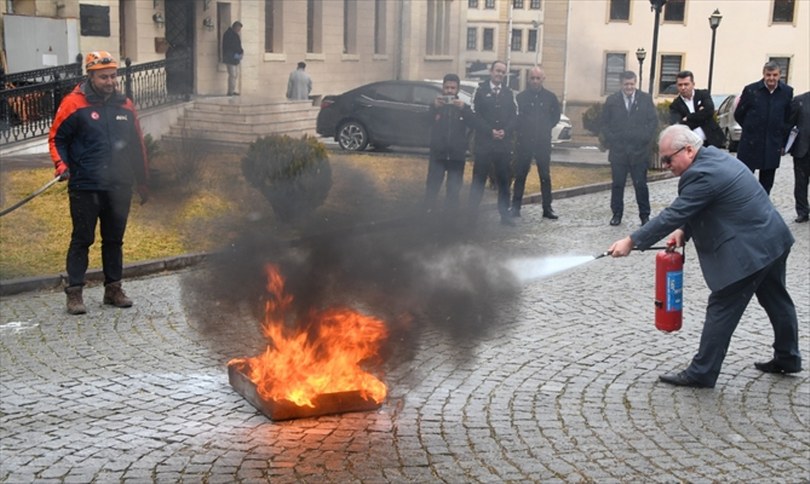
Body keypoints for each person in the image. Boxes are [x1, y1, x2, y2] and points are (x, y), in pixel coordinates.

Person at [608, 124, 801, 389]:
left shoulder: (700, 174)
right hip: (773, 238)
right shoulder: (714, 156)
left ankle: (702, 372)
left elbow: (673, 213)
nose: (665, 165)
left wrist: (631, 241)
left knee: (722, 305)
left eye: (668, 158)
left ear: (688, 149)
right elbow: (704, 203)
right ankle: (788, 357)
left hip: (751, 249)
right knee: (778, 301)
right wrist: (683, 232)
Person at [49, 51, 150, 315]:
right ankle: (75, 293)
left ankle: (113, 289)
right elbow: (57, 138)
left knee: (114, 239)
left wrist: (143, 181)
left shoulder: (125, 105)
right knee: (82, 238)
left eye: (113, 76)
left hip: (119, 185)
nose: (110, 81)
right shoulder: (73, 103)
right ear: (90, 76)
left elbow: (137, 146)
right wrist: (62, 165)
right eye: (103, 77)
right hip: (85, 184)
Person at [601, 71, 658, 226]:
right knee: (618, 184)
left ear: (636, 83)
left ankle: (644, 216)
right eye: (626, 84)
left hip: (639, 151)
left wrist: (645, 138)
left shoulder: (645, 99)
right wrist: (612, 139)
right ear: (621, 84)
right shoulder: (612, 100)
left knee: (640, 185)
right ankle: (617, 214)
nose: (629, 87)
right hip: (619, 151)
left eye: (632, 84)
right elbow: (604, 123)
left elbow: (653, 122)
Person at [425, 73, 484, 214]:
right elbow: (424, 122)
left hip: (456, 156)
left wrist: (464, 109)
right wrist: (434, 107)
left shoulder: (463, 107)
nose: (449, 91)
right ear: (442, 88)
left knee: (453, 191)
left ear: (457, 90)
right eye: (447, 88)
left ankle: (450, 220)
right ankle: (427, 216)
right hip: (438, 155)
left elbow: (476, 123)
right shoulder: (436, 106)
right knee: (432, 188)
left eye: (453, 88)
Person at [469, 60, 517, 226]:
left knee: (504, 181)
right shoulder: (480, 91)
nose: (499, 75)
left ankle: (505, 215)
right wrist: (489, 131)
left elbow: (513, 116)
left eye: (503, 72)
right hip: (485, 144)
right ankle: (472, 216)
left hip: (502, 146)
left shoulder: (508, 93)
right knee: (478, 181)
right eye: (497, 71)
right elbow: (475, 116)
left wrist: (506, 130)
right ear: (491, 72)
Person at [734, 61, 793, 194]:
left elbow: (788, 118)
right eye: (768, 75)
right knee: (745, 178)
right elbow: (739, 114)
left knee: (767, 181)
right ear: (763, 74)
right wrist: (751, 128)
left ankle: (763, 206)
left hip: (773, 143)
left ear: (780, 75)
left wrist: (782, 141)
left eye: (774, 75)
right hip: (751, 142)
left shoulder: (787, 92)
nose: (771, 78)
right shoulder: (751, 90)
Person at [512, 66, 561, 219]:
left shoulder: (550, 97)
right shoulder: (521, 97)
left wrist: (546, 127)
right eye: (532, 78)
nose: (535, 81)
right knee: (520, 175)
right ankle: (515, 208)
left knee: (545, 175)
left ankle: (547, 208)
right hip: (524, 141)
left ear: (543, 79)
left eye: (537, 78)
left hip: (542, 142)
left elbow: (555, 116)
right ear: (528, 79)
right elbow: (516, 118)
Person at [668, 70, 724, 148]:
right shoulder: (675, 105)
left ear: (693, 84)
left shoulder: (703, 95)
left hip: (712, 141)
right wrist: (702, 116)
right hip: (692, 146)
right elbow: (680, 126)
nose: (683, 88)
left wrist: (688, 117)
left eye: (686, 84)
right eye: (680, 85)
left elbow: (709, 111)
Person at [788, 91, 810, 223]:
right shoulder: (800, 101)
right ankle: (802, 211)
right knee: (801, 183)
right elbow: (789, 124)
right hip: (803, 150)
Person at [222, 21, 244, 96]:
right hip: (230, 57)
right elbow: (232, 46)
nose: (239, 30)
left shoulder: (234, 34)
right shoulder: (230, 35)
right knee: (233, 74)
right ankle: (230, 92)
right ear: (235, 27)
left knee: (235, 75)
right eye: (238, 28)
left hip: (234, 57)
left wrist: (241, 52)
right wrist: (240, 52)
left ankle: (232, 90)